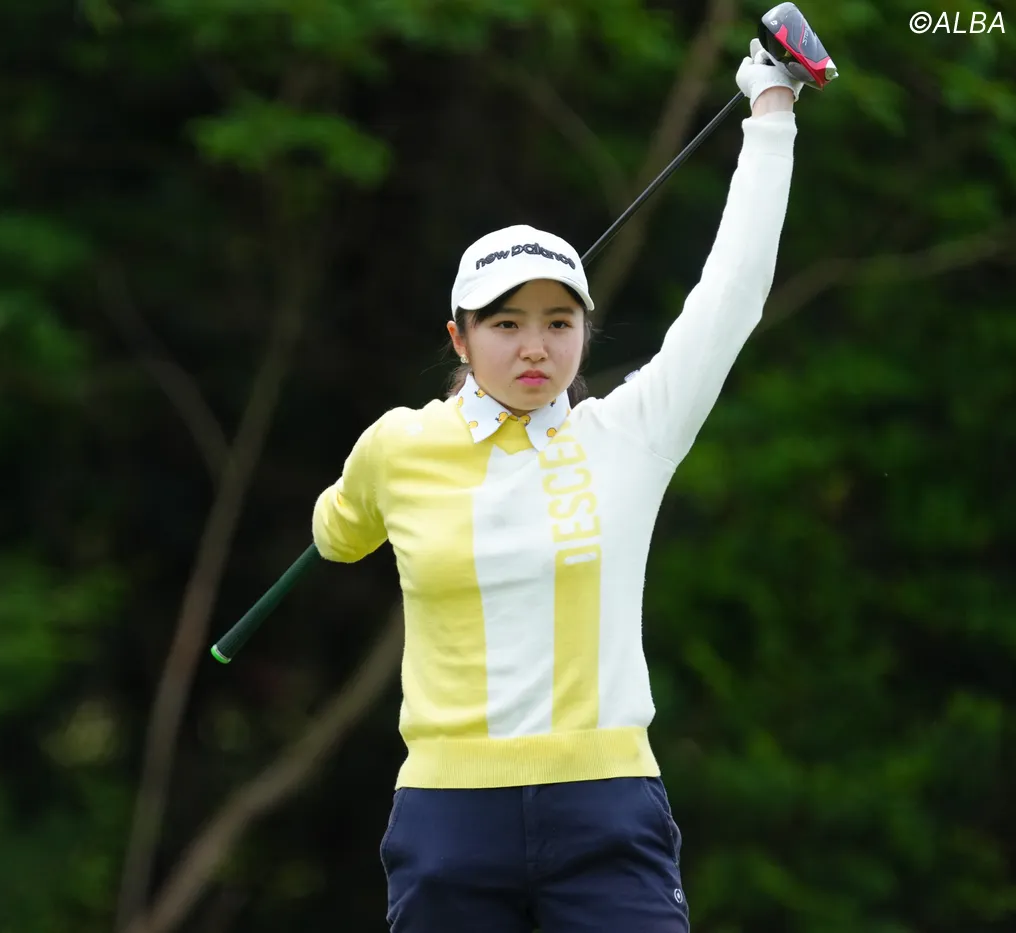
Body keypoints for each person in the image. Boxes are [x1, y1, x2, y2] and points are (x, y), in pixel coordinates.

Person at [310, 40, 805, 933]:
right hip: (449, 822)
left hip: (606, 809)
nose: (535, 347)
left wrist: (771, 113)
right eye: (506, 324)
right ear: (459, 338)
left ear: (585, 329)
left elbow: (730, 297)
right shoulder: (398, 446)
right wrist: (343, 517)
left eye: (558, 321)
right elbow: (338, 533)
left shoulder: (629, 433)